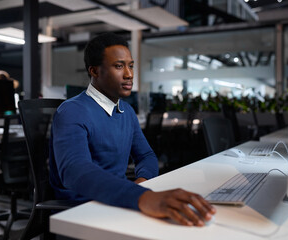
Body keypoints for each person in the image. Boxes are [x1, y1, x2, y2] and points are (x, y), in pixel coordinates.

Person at [49, 32, 216, 226]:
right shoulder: (72, 111)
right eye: (119, 66)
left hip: (118, 200)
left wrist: (141, 183)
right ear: (94, 71)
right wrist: (141, 197)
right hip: (81, 210)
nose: (129, 74)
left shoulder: (126, 111)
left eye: (130, 65)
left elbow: (146, 156)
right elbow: (75, 171)